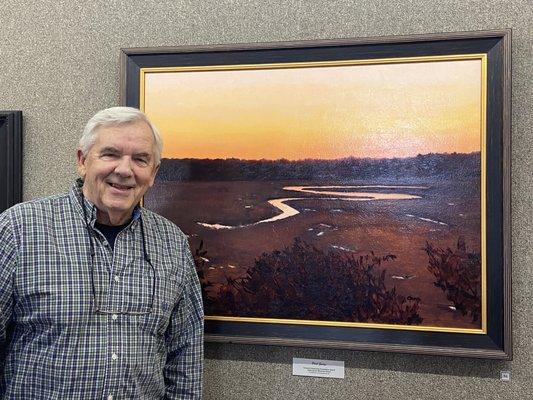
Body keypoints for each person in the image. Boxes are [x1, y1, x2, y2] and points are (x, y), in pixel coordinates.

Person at [0, 107, 204, 399]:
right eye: (110, 154)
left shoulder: (173, 243)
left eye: (140, 159)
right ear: (82, 161)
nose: (124, 170)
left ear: (153, 172)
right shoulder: (19, 229)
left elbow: (185, 356)